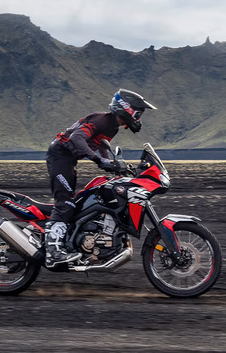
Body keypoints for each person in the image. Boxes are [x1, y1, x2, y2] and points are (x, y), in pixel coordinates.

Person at [44, 88, 156, 268]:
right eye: (137, 113)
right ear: (126, 108)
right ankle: (53, 253)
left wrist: (114, 165)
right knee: (65, 204)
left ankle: (76, 238)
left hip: (68, 160)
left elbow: (100, 145)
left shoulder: (112, 126)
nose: (138, 119)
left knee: (81, 201)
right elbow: (77, 138)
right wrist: (98, 160)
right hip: (59, 157)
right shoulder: (101, 120)